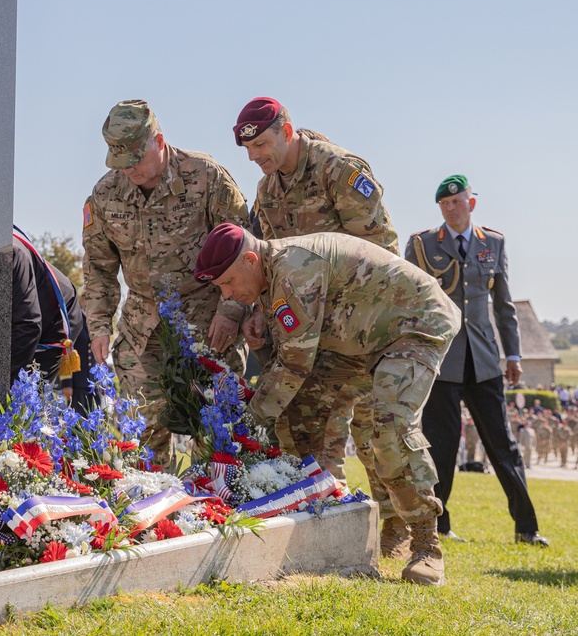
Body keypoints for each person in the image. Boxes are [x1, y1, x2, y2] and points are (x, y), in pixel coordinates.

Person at [193, 223, 460, 586]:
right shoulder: (271, 279)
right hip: (358, 340)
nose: (229, 295)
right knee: (298, 416)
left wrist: (244, 426)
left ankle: (426, 545)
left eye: (228, 283)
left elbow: (294, 364)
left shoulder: (295, 269)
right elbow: (288, 362)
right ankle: (320, 519)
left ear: (251, 260)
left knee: (390, 428)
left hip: (412, 325)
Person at [231, 96, 402, 554]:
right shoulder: (267, 192)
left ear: (287, 131)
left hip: (364, 330)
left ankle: (400, 529)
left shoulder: (338, 171)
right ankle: (337, 530)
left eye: (262, 145)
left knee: (373, 437)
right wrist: (260, 313)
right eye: (248, 150)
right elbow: (270, 266)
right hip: (310, 338)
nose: (255, 157)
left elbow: (382, 253)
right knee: (316, 434)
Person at [82, 100, 251, 464]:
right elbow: (98, 266)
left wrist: (232, 311)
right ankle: (156, 516)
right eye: (119, 162)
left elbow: (247, 249)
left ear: (158, 142)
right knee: (141, 441)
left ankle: (220, 515)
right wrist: (97, 326)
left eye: (135, 160)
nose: (128, 171)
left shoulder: (206, 176)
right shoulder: (105, 195)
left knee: (217, 436)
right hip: (142, 332)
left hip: (209, 326)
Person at [405, 174, 548, 546]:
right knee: (442, 443)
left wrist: (512, 354)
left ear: (472, 203)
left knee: (503, 445)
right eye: (445, 204)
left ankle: (527, 528)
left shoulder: (494, 243)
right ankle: (439, 524)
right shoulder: (422, 245)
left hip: (484, 360)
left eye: (458, 202)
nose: (452, 209)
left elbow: (503, 305)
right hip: (443, 360)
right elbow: (409, 300)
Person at [12, 226, 95, 413]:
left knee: (27, 402)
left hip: (53, 327)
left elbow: (29, 325)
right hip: (30, 327)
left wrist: (7, 380)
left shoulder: (16, 254)